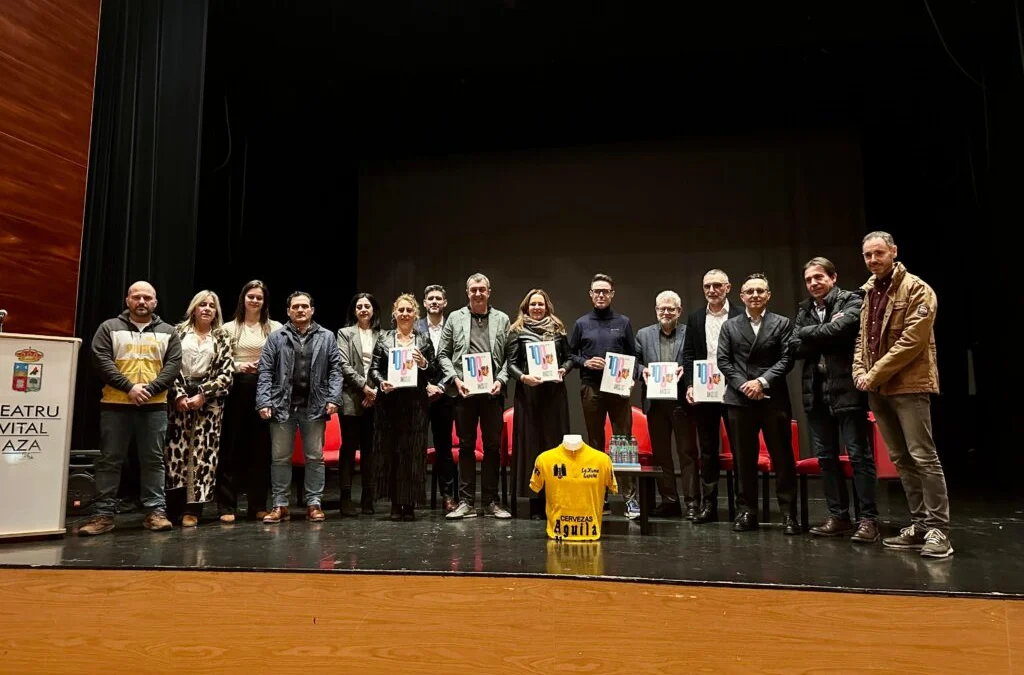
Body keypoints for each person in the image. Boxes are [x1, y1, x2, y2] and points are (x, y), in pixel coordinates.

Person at [853, 231, 951, 558]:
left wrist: (872, 373)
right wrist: (858, 371)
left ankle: (939, 530)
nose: (872, 260)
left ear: (893, 251)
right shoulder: (868, 293)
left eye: (878, 253)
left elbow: (911, 342)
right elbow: (862, 340)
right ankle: (920, 524)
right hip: (877, 389)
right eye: (867, 255)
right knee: (901, 459)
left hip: (909, 385)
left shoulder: (917, 290)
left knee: (923, 456)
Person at [79, 281, 180, 535]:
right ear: (128, 300)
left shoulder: (169, 331)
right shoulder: (109, 328)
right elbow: (101, 360)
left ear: (155, 302)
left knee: (154, 461)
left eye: (147, 298)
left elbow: (173, 365)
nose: (142, 302)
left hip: (154, 407)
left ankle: (155, 512)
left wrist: (150, 389)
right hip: (115, 406)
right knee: (110, 461)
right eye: (137, 297)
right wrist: (130, 387)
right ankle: (102, 515)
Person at [790, 258, 878, 543]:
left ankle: (868, 520)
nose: (814, 283)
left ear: (833, 277)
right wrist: (825, 332)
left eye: (819, 277)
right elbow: (794, 346)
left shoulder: (851, 300)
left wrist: (815, 334)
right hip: (815, 393)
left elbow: (843, 330)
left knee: (859, 457)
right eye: (809, 280)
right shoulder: (804, 309)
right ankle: (838, 516)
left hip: (847, 391)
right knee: (827, 459)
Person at [717, 273, 799, 534]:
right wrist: (745, 385)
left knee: (782, 458)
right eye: (749, 291)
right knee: (743, 459)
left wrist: (761, 382)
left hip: (773, 399)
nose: (754, 295)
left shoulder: (782, 323)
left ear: (768, 295)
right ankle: (746, 512)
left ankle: (788, 515)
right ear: (741, 296)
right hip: (739, 401)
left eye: (760, 291)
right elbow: (724, 361)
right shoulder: (730, 326)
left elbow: (787, 359)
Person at [257, 291, 343, 524]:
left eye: (305, 306)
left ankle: (314, 504)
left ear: (312, 310)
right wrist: (264, 401)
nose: (300, 310)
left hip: (314, 406)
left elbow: (336, 370)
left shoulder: (327, 336)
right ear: (288, 311)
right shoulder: (276, 337)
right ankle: (280, 505)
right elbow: (265, 371)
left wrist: (333, 398)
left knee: (315, 457)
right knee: (280, 458)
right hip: (281, 406)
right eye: (295, 306)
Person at [438, 273, 512, 520]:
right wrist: (456, 380)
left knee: (492, 447)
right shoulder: (454, 318)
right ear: (467, 292)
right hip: (464, 393)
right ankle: (466, 502)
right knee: (466, 446)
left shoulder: (502, 319)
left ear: (489, 291)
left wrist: (501, 380)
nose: (478, 293)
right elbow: (443, 355)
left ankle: (491, 501)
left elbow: (510, 359)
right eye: (473, 290)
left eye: (482, 289)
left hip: (492, 394)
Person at [568, 273, 638, 518]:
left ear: (612, 294)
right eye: (596, 291)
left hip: (618, 390)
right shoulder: (581, 323)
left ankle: (630, 499)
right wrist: (586, 362)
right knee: (595, 444)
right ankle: (600, 497)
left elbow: (634, 356)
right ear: (590, 294)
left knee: (623, 443)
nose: (600, 295)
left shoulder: (623, 322)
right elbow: (571, 356)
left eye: (605, 291)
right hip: (591, 389)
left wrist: (631, 378)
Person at [164, 290, 234, 527]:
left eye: (211, 306)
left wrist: (203, 394)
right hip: (178, 399)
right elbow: (168, 366)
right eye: (202, 304)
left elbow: (226, 374)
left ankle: (194, 509)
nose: (206, 309)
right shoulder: (177, 332)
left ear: (216, 312)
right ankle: (173, 508)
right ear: (193, 308)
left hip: (209, 402)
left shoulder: (223, 337)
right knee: (177, 453)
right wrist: (180, 395)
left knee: (203, 455)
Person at [367, 294, 438, 521]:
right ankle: (395, 504)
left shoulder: (424, 340)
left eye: (409, 311)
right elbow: (374, 369)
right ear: (394, 313)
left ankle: (410, 504)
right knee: (391, 452)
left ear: (416, 315)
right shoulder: (385, 339)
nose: (405, 314)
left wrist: (424, 363)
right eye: (401, 310)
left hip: (416, 404)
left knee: (413, 453)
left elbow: (434, 371)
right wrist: (381, 382)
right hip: (389, 403)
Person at [682, 269, 743, 524]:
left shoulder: (741, 314)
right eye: (707, 286)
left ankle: (743, 506)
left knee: (740, 449)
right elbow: (688, 355)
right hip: (705, 390)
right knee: (707, 450)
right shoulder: (696, 318)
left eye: (717, 286)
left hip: (735, 389)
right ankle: (709, 505)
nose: (712, 290)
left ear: (728, 287)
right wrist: (689, 385)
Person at [506, 288, 573, 520]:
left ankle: (553, 499)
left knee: (553, 446)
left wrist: (564, 369)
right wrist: (524, 377)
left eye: (540, 305)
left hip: (554, 395)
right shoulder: (517, 331)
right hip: (529, 395)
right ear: (526, 308)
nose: (536, 308)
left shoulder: (558, 329)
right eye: (533, 305)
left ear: (547, 307)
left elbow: (570, 357)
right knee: (532, 446)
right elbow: (511, 363)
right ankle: (535, 503)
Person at [219, 280, 282, 521]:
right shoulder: (228, 328)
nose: (254, 301)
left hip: (265, 392)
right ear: (243, 299)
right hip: (236, 391)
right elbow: (221, 361)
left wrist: (265, 367)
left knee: (260, 449)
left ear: (265, 301)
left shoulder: (275, 327)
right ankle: (227, 506)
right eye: (251, 296)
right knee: (232, 448)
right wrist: (238, 366)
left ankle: (257, 505)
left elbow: (282, 359)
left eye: (259, 297)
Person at [635, 290, 699, 519]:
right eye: (662, 308)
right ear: (656, 310)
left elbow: (696, 360)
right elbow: (635, 362)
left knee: (688, 453)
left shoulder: (689, 333)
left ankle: (692, 503)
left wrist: (687, 370)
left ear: (679, 311)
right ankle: (670, 501)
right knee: (662, 455)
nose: (666, 312)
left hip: (681, 401)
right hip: (655, 403)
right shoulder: (643, 335)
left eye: (671, 308)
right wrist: (642, 371)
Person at [337, 292, 381, 516]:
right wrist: (365, 388)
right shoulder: (344, 333)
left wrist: (374, 392)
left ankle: (368, 498)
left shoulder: (381, 334)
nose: (364, 309)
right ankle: (345, 498)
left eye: (367, 306)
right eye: (359, 306)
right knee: (348, 449)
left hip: (375, 398)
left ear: (373, 310)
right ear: (354, 311)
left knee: (370, 451)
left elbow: (383, 365)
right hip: (352, 398)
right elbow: (344, 365)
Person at [415, 284, 457, 512]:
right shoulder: (413, 327)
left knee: (444, 448)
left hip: (446, 394)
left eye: (438, 298)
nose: (434, 301)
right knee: (415, 446)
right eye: (430, 298)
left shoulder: (454, 326)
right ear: (424, 303)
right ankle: (414, 495)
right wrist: (426, 387)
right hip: (420, 396)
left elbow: (456, 359)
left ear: (445, 303)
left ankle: (448, 496)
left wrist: (440, 385)